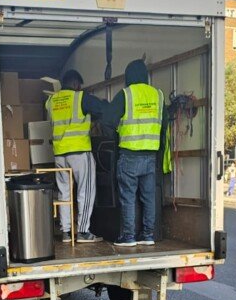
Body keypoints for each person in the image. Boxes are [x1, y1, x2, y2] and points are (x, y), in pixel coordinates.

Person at [108, 59, 166, 247]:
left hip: (129, 154)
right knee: (149, 197)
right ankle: (148, 235)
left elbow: (108, 119)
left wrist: (118, 131)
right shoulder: (158, 95)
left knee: (128, 197)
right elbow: (164, 124)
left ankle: (128, 236)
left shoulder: (126, 95)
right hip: (151, 155)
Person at [46, 70, 105, 243]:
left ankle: (65, 232)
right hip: (79, 152)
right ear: (76, 84)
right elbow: (100, 108)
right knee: (85, 191)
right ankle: (83, 231)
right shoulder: (81, 98)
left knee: (64, 193)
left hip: (60, 154)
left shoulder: (51, 101)